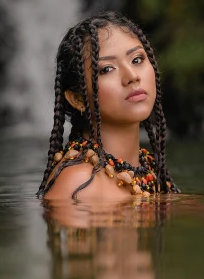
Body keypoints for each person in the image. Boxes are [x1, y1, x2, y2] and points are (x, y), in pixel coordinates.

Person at [37, 11, 180, 200]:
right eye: (107, 69)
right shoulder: (78, 184)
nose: (132, 76)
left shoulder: (151, 171)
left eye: (137, 60)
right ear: (78, 99)